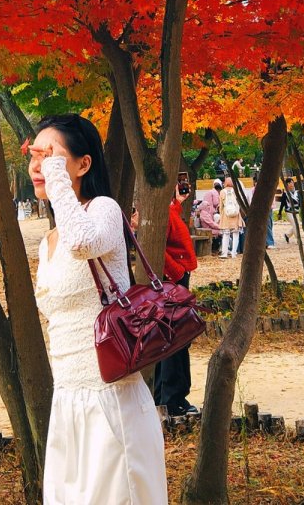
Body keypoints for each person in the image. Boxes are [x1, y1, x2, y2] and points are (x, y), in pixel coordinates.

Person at [29, 113, 167, 504]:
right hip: (68, 401)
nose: (38, 166)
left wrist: (57, 180)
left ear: (82, 164)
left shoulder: (102, 209)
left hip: (112, 402)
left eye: (50, 155)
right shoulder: (49, 240)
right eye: (35, 156)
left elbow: (83, 244)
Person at [155, 184, 198, 416]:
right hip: (172, 281)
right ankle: (172, 398)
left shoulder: (168, 211)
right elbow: (157, 247)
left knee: (175, 336)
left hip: (176, 278)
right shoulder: (157, 214)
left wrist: (178, 201)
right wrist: (177, 273)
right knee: (174, 337)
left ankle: (169, 396)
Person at [219, 177, 243, 258]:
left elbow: (221, 205)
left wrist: (221, 213)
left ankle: (224, 253)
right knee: (236, 234)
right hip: (236, 214)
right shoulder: (236, 191)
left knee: (226, 235)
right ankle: (234, 253)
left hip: (226, 214)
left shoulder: (222, 192)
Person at [278, 178, 300, 244]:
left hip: (297, 211)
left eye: (292, 182)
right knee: (295, 225)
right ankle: (298, 239)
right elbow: (282, 204)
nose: (291, 184)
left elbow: (300, 202)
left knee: (297, 225)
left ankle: (287, 235)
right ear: (287, 184)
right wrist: (279, 213)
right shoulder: (285, 194)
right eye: (290, 183)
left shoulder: (297, 192)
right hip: (289, 212)